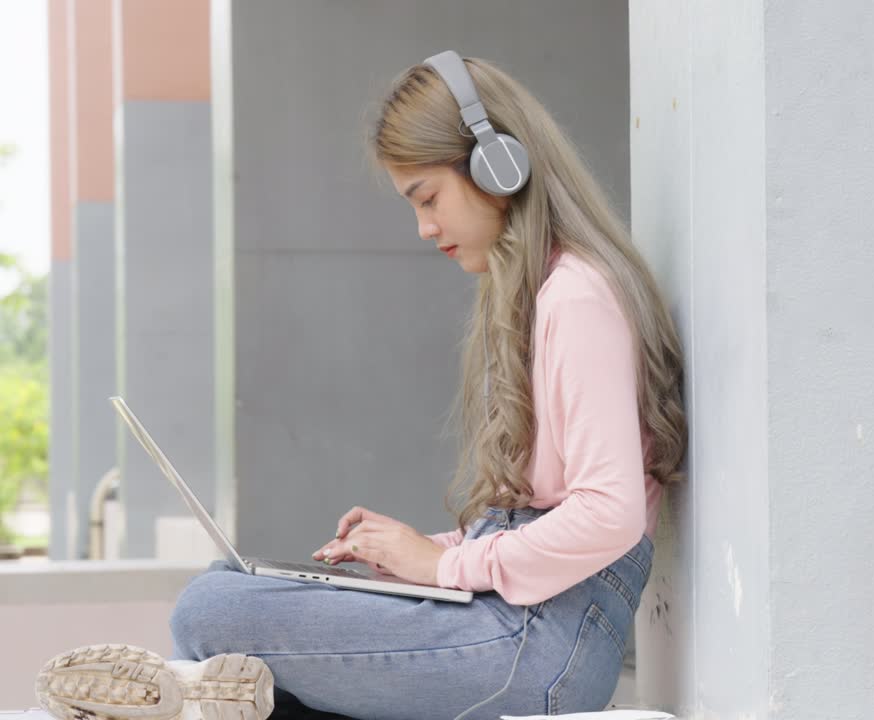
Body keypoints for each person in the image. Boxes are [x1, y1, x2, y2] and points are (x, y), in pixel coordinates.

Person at [33, 51, 686, 720]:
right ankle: (211, 699)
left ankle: (192, 699)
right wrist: (420, 551)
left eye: (428, 198)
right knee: (231, 587)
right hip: (519, 625)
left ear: (500, 166)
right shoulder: (541, 296)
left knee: (211, 611)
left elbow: (609, 515)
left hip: (539, 646)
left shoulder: (576, 297)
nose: (424, 227)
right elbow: (542, 521)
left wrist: (442, 570)